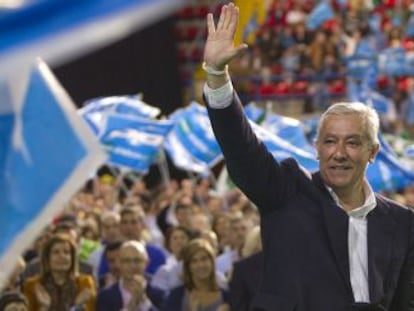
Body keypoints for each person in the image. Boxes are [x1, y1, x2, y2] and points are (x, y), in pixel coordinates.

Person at [202, 3, 414, 310]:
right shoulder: (287, 192)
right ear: (317, 148)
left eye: (352, 142)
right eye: (329, 141)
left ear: (373, 152)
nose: (338, 153)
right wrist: (217, 75)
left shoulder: (402, 222)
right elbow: (241, 148)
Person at [22, 233, 96, 311]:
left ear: (72, 258)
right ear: (47, 258)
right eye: (56, 252)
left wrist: (77, 307)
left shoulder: (85, 284)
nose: (62, 256)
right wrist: (44, 307)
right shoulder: (32, 285)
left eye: (66, 252)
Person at [162, 239, 230, 311]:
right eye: (194, 261)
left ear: (212, 262)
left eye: (204, 259)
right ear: (188, 266)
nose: (200, 265)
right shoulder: (177, 296)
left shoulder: (226, 297)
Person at [96, 240, 162, 311]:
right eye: (126, 261)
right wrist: (130, 306)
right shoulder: (105, 297)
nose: (132, 266)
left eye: (137, 260)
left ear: (146, 263)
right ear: (119, 263)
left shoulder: (159, 295)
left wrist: (143, 301)